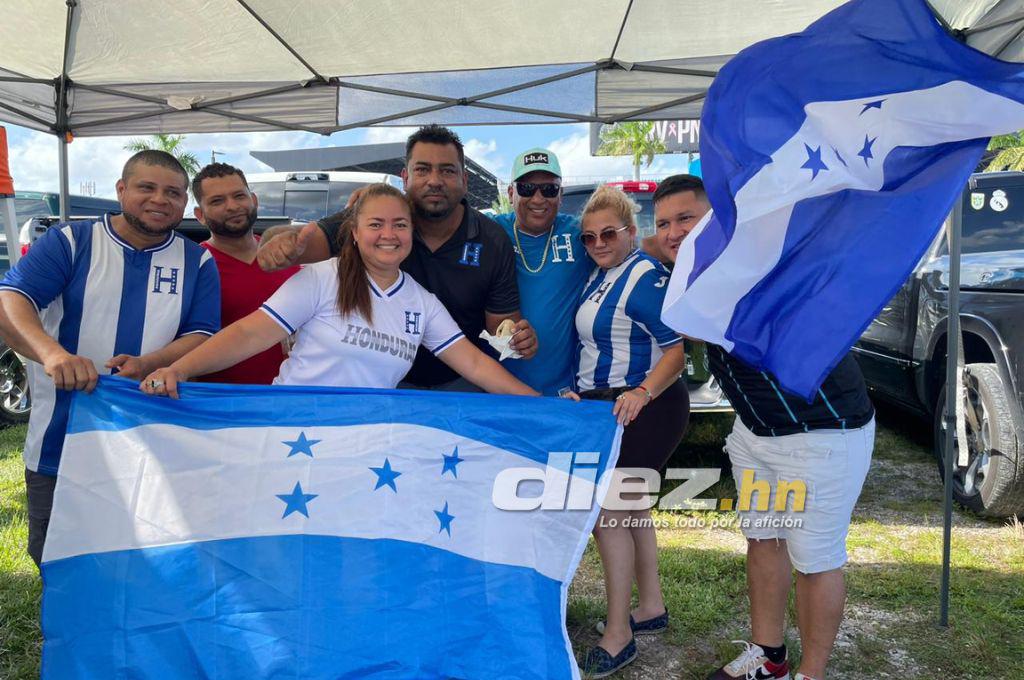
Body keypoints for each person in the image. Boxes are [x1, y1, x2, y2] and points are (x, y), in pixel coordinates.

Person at [653, 175, 876, 680]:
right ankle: (769, 656)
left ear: (720, 220)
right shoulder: (696, 271)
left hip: (822, 434)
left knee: (815, 560)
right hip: (755, 434)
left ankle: (810, 674)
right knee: (764, 539)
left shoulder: (761, 259)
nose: (672, 232)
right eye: (663, 223)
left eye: (686, 218)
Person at [0, 150, 220, 566]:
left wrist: (150, 361)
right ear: (121, 189)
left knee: (148, 563)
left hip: (154, 444)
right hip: (61, 444)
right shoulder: (71, 240)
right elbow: (11, 301)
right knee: (59, 563)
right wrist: (53, 354)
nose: (160, 199)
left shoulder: (197, 259)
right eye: (146, 187)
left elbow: (202, 334)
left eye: (173, 193)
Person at [142, 183, 537, 399]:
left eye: (400, 225)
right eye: (376, 224)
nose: (388, 234)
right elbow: (249, 334)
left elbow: (476, 366)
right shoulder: (321, 278)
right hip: (292, 435)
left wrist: (544, 407)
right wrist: (179, 369)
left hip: (360, 446)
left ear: (412, 234)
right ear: (355, 232)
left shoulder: (423, 303)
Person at [255, 125, 537, 392]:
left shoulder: (492, 240)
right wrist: (275, 243)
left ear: (464, 181)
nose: (434, 180)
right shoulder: (379, 218)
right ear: (405, 178)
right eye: (422, 169)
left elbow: (499, 329)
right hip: (385, 381)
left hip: (459, 380)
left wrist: (515, 339)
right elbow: (299, 244)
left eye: (447, 170)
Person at [569, 185, 690, 678]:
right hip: (613, 407)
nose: (598, 243)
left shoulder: (642, 275)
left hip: (645, 408)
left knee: (610, 515)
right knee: (632, 509)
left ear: (630, 232)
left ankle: (618, 634)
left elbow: (678, 350)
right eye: (589, 237)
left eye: (609, 234)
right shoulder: (603, 275)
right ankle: (650, 607)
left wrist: (642, 391)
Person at [491, 149, 593, 395]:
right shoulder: (491, 232)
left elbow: (625, 248)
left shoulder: (581, 233)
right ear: (511, 193)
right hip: (499, 387)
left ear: (560, 195)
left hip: (562, 390)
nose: (538, 199)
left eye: (549, 189)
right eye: (527, 188)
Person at [192, 162, 299, 384]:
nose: (232, 206)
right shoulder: (195, 266)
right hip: (226, 398)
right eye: (217, 201)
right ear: (200, 215)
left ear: (254, 201)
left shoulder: (287, 256)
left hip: (290, 394)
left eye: (239, 196)